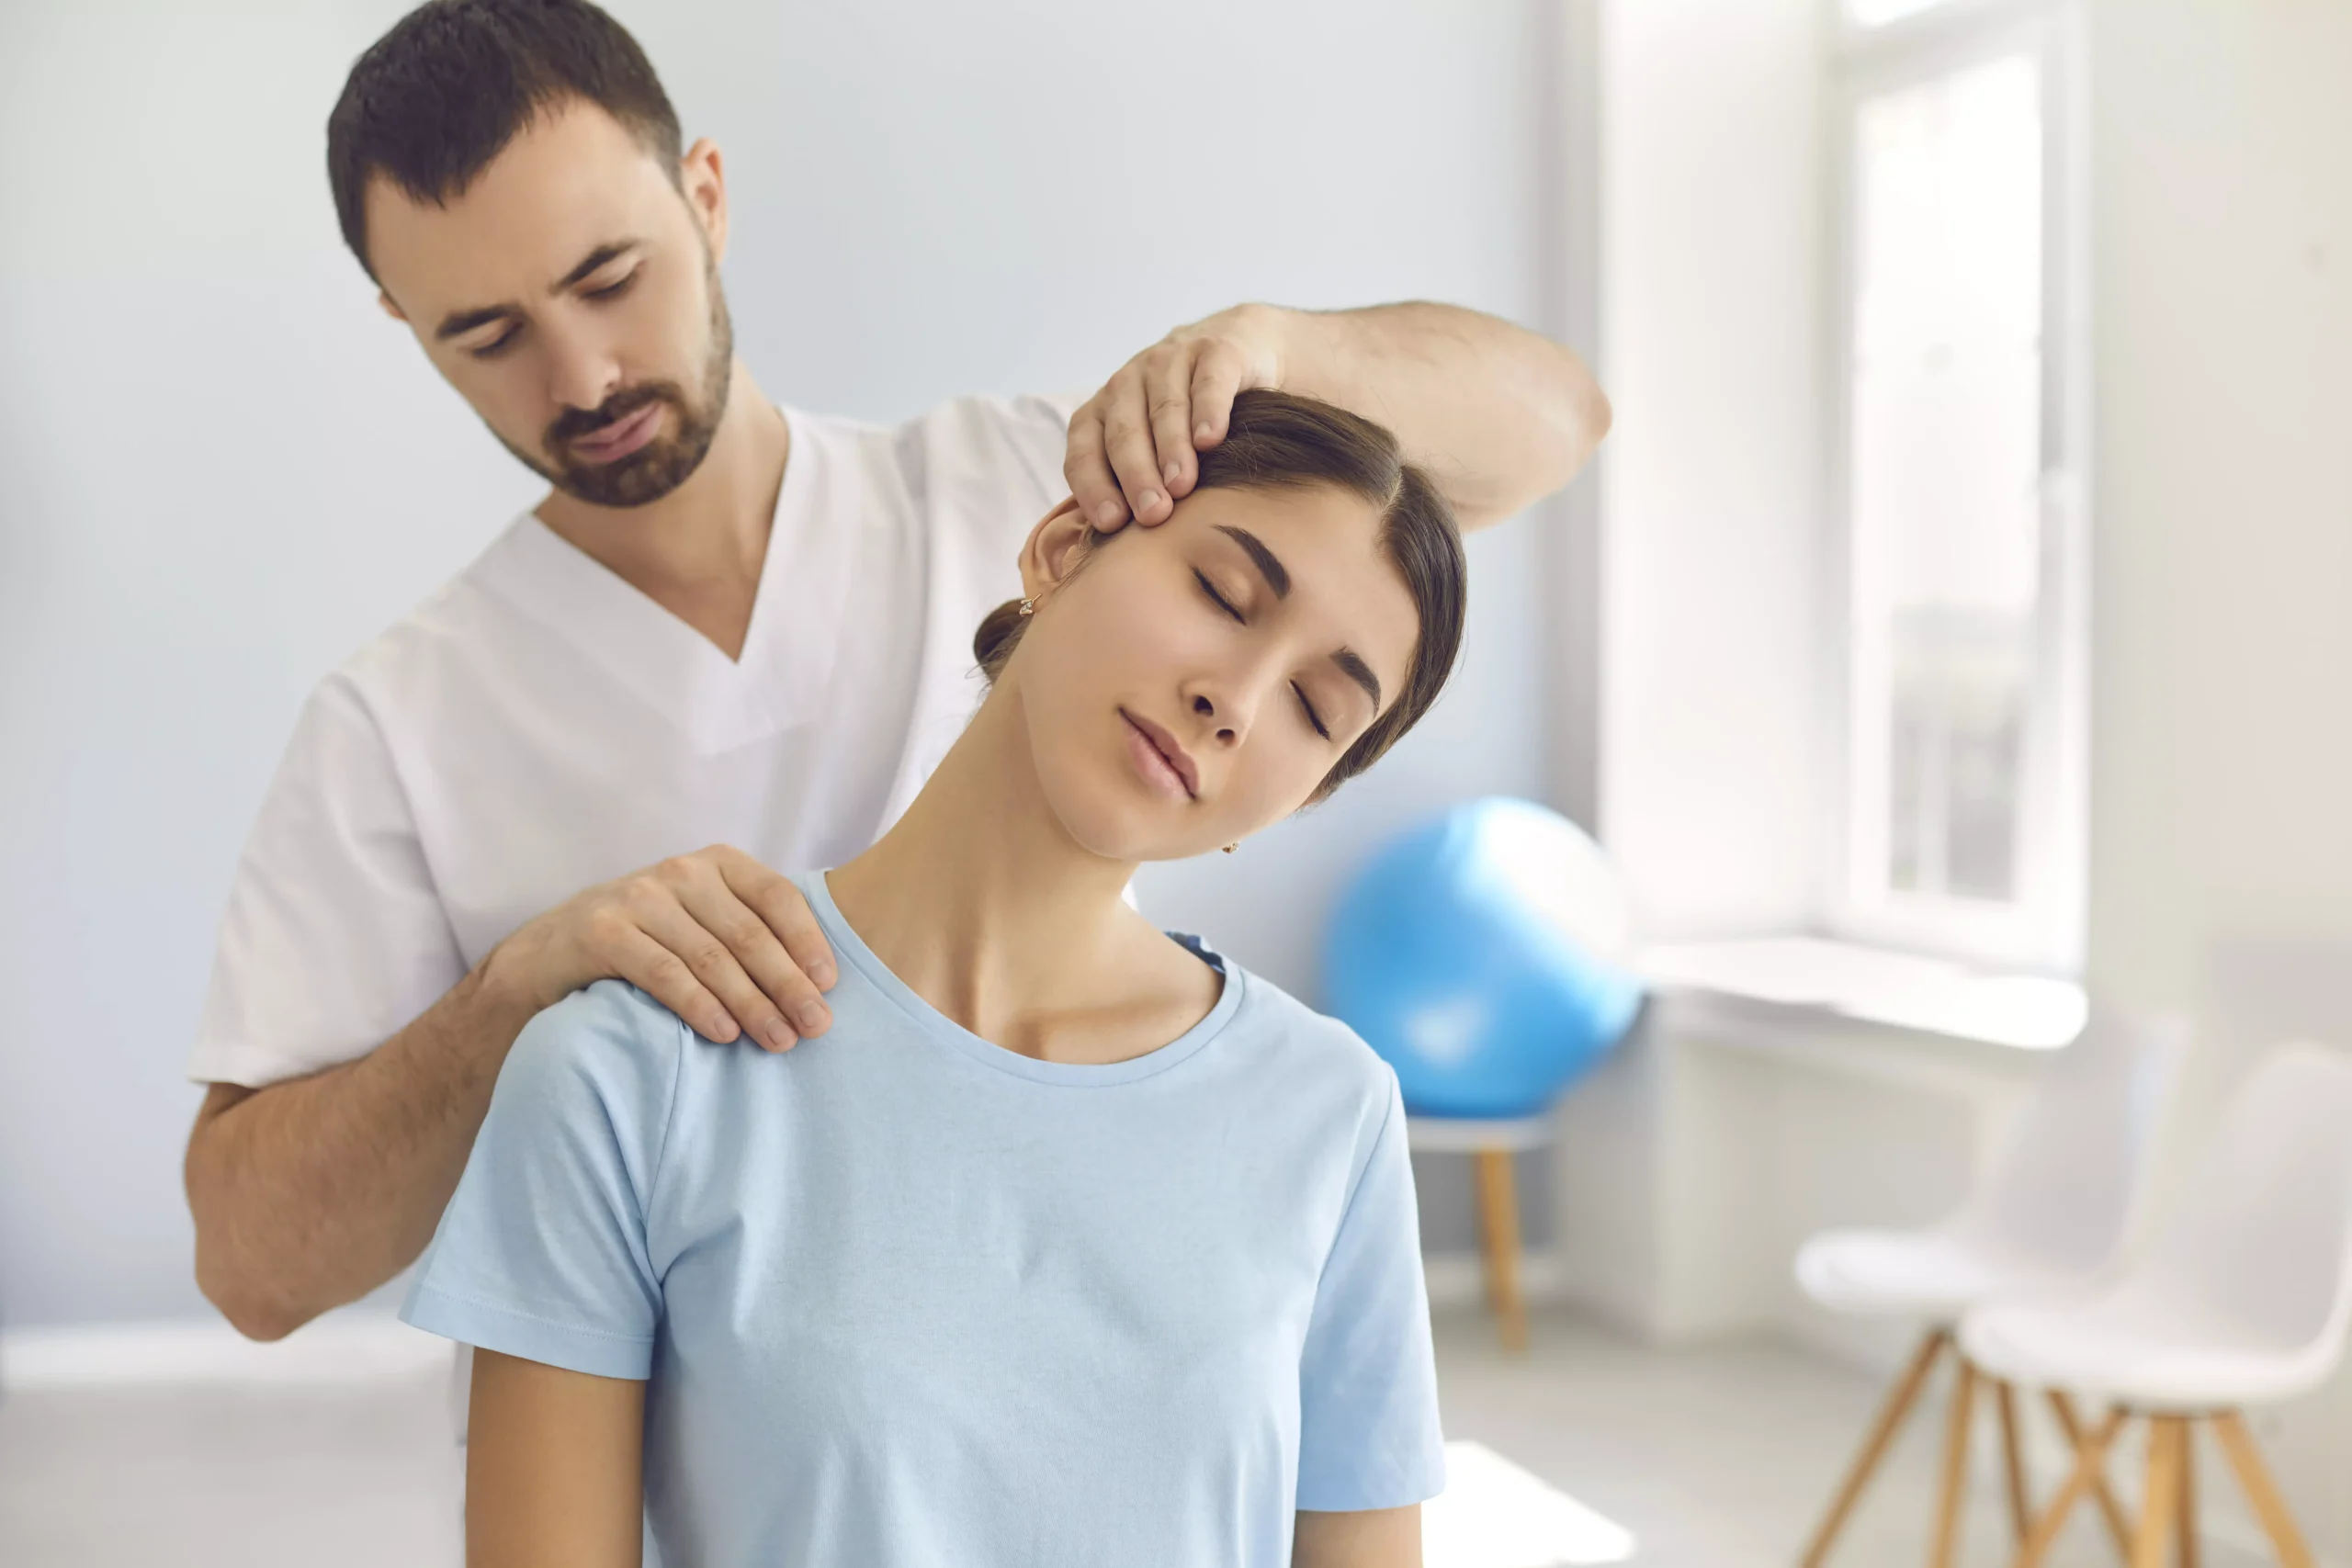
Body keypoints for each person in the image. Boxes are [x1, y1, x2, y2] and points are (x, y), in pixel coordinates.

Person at [182, 0, 1611, 1345]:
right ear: (402, 322)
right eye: (486, 335)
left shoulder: (1034, 483)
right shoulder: (397, 721)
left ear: (707, 196)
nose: (585, 377)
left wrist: (1273, 347)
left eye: (609, 277)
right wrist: (517, 995)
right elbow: (252, 1266)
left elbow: (1552, 419)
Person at [403, 390, 1463, 1568]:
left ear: (1301, 796)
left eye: (1315, 711)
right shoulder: (632, 1070)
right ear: (1062, 550)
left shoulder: (1329, 1114)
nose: (1237, 700)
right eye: (1221, 593)